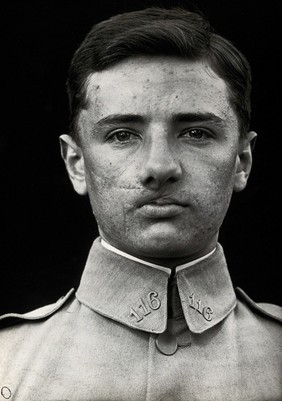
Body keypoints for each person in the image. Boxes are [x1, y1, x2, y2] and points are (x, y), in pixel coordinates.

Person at [0, 7, 281, 401]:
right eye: (121, 135)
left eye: (196, 133)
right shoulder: (7, 363)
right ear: (76, 164)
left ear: (242, 161)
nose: (159, 167)